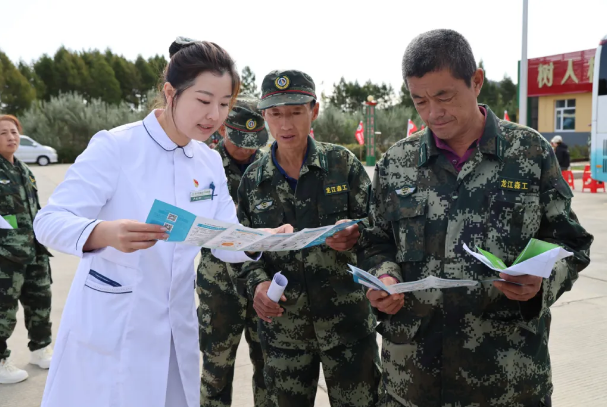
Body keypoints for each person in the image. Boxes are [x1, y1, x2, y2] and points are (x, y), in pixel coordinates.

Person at [33, 38, 290, 407]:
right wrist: (105, 233)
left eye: (224, 103)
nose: (214, 116)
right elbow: (49, 221)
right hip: (115, 323)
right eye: (203, 101)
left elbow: (223, 236)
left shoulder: (207, 161)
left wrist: (258, 239)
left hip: (174, 326)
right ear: (170, 92)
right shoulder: (116, 147)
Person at [356, 29, 593, 407]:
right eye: (420, 101)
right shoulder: (396, 163)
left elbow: (571, 243)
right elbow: (376, 239)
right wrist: (385, 274)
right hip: (413, 382)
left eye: (444, 96)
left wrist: (540, 283)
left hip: (508, 379)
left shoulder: (529, 153)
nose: (433, 112)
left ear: (476, 81)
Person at [237, 69, 380, 407]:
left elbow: (380, 230)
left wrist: (357, 233)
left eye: (295, 112)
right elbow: (242, 249)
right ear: (264, 117)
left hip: (348, 330)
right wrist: (257, 285)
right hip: (284, 334)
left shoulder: (343, 165)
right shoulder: (253, 182)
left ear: (314, 111)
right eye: (275, 114)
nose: (285, 125)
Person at [197, 95, 268, 407]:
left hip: (263, 287)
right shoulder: (203, 166)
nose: (247, 148)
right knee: (216, 371)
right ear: (224, 128)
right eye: (240, 139)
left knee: (269, 369)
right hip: (219, 287)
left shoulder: (270, 167)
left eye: (254, 140)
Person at [0, 115, 53, 384]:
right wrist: (10, 230)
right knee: (3, 309)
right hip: (4, 255)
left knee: (40, 300)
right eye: (4, 133)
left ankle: (40, 348)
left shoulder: (23, 169)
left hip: (34, 250)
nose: (11, 137)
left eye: (14, 132)